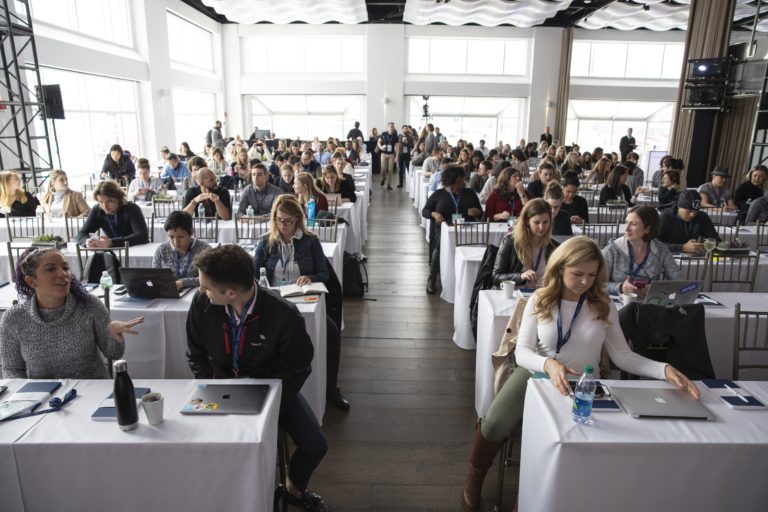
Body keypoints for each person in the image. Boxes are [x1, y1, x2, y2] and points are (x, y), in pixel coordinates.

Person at [460, 236, 699, 512]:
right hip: (535, 376)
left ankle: (533, 496)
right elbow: (523, 352)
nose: (585, 282)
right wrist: (548, 364)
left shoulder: (602, 304)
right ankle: (475, 477)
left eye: (591, 275)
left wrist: (664, 369)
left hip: (585, 384)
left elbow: (622, 356)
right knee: (494, 423)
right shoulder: (540, 298)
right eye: (577, 274)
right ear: (560, 268)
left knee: (569, 443)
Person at [186, 244, 332, 512]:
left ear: (230, 293)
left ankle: (293, 490)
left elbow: (298, 367)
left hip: (271, 389)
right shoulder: (201, 303)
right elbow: (195, 352)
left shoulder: (283, 314)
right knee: (210, 444)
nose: (201, 292)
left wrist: (275, 403)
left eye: (206, 287)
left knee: (315, 445)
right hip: (220, 387)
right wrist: (209, 385)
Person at [255, 194, 349, 412]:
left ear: (297, 219)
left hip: (303, 298)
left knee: (332, 334)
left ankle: (331, 386)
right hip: (274, 300)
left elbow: (324, 273)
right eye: (279, 220)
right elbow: (253, 275)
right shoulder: (265, 241)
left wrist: (310, 278)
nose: (283, 225)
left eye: (288, 221)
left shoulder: (310, 241)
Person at [0, 247, 143, 379]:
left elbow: (114, 353)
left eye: (65, 267)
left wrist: (114, 335)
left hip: (92, 391)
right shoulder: (13, 318)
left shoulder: (89, 305)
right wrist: (26, 399)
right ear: (31, 281)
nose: (63, 274)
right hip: (44, 398)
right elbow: (12, 368)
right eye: (50, 269)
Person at [422, 166, 483, 294]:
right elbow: (425, 211)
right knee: (439, 246)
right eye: (457, 183)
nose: (460, 185)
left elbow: (480, 212)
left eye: (461, 182)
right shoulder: (439, 194)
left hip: (466, 229)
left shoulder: (469, 193)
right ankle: (432, 277)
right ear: (449, 182)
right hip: (444, 229)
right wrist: (434, 214)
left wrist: (476, 212)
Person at [602, 205, 681, 296]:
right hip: (618, 305)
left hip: (649, 305)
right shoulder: (612, 250)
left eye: (633, 224)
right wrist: (620, 287)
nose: (626, 229)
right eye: (626, 222)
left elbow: (678, 280)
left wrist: (655, 289)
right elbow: (598, 285)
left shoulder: (661, 250)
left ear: (647, 229)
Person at [492, 198, 558, 288]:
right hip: (514, 296)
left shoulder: (554, 246)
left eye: (546, 222)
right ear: (527, 221)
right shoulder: (511, 242)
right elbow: (496, 277)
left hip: (541, 296)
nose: (541, 227)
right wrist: (520, 276)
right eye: (536, 222)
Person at [77, 180, 149, 248]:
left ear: (119, 199)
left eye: (109, 201)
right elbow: (81, 234)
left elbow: (142, 236)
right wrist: (86, 242)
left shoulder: (132, 209)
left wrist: (112, 242)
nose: (105, 207)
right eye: (101, 202)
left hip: (136, 251)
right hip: (113, 252)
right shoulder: (98, 210)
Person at [152, 211, 211, 289]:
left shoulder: (204, 249)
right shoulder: (161, 250)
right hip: (168, 295)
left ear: (191, 232)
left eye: (181, 237)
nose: (176, 242)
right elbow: (154, 277)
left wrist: (183, 283)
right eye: (171, 237)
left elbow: (210, 278)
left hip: (196, 293)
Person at [657, 190, 720, 254]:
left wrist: (704, 245)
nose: (692, 215)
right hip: (666, 256)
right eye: (689, 211)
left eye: (696, 211)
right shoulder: (664, 218)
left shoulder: (702, 217)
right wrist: (682, 248)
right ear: (679, 207)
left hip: (691, 258)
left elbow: (714, 239)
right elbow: (651, 243)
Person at [378, 122, 399, 191]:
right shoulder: (384, 134)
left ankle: (389, 185)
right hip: (383, 154)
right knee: (383, 169)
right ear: (388, 127)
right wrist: (381, 147)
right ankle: (384, 177)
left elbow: (397, 146)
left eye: (392, 126)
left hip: (391, 155)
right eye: (390, 126)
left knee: (390, 170)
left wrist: (397, 156)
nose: (391, 127)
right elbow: (378, 142)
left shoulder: (395, 136)